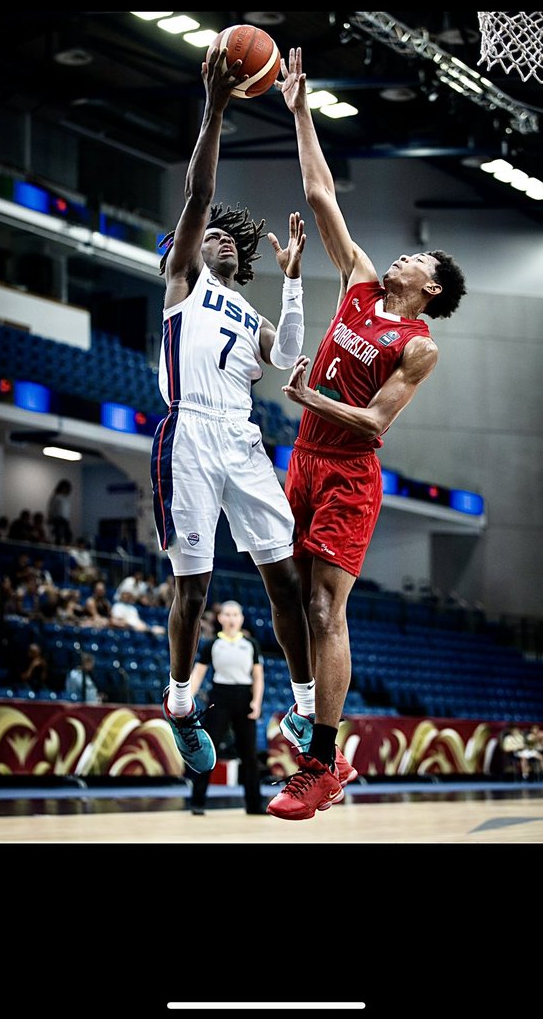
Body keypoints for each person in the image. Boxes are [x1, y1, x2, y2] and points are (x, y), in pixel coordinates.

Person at [267, 47, 467, 820]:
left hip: (349, 472)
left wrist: (312, 398)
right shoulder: (357, 279)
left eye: (415, 257)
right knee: (280, 589)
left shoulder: (418, 344)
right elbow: (320, 193)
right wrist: (299, 110)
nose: (401, 258)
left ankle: (321, 766)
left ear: (433, 287)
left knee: (323, 610)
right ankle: (302, 708)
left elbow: (379, 421)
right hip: (304, 458)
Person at [151, 46, 347, 790]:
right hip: (188, 433)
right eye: (207, 234)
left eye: (229, 237)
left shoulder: (251, 308)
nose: (218, 236)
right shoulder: (181, 284)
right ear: (190, 248)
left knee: (288, 582)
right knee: (193, 591)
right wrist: (218, 106)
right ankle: (178, 705)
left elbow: (291, 360)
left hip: (242, 436)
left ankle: (303, 711)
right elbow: (200, 189)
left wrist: (296, 281)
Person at [189, 600, 265, 815]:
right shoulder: (212, 644)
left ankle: (254, 805)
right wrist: (187, 700)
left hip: (244, 698)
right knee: (208, 750)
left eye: (235, 615)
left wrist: (256, 702)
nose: (231, 619)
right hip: (219, 697)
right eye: (227, 615)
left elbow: (258, 677)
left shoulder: (251, 644)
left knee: (249, 755)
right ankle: (198, 802)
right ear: (220, 618)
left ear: (241, 619)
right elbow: (198, 674)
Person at [47, 480, 73, 546]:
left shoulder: (66, 498)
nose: (65, 489)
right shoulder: (56, 497)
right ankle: (57, 549)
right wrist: (50, 517)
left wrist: (68, 520)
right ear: (61, 487)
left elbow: (66, 510)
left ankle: (65, 549)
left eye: (66, 488)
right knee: (58, 536)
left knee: (69, 536)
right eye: (64, 487)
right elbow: (51, 508)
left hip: (65, 520)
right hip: (57, 519)